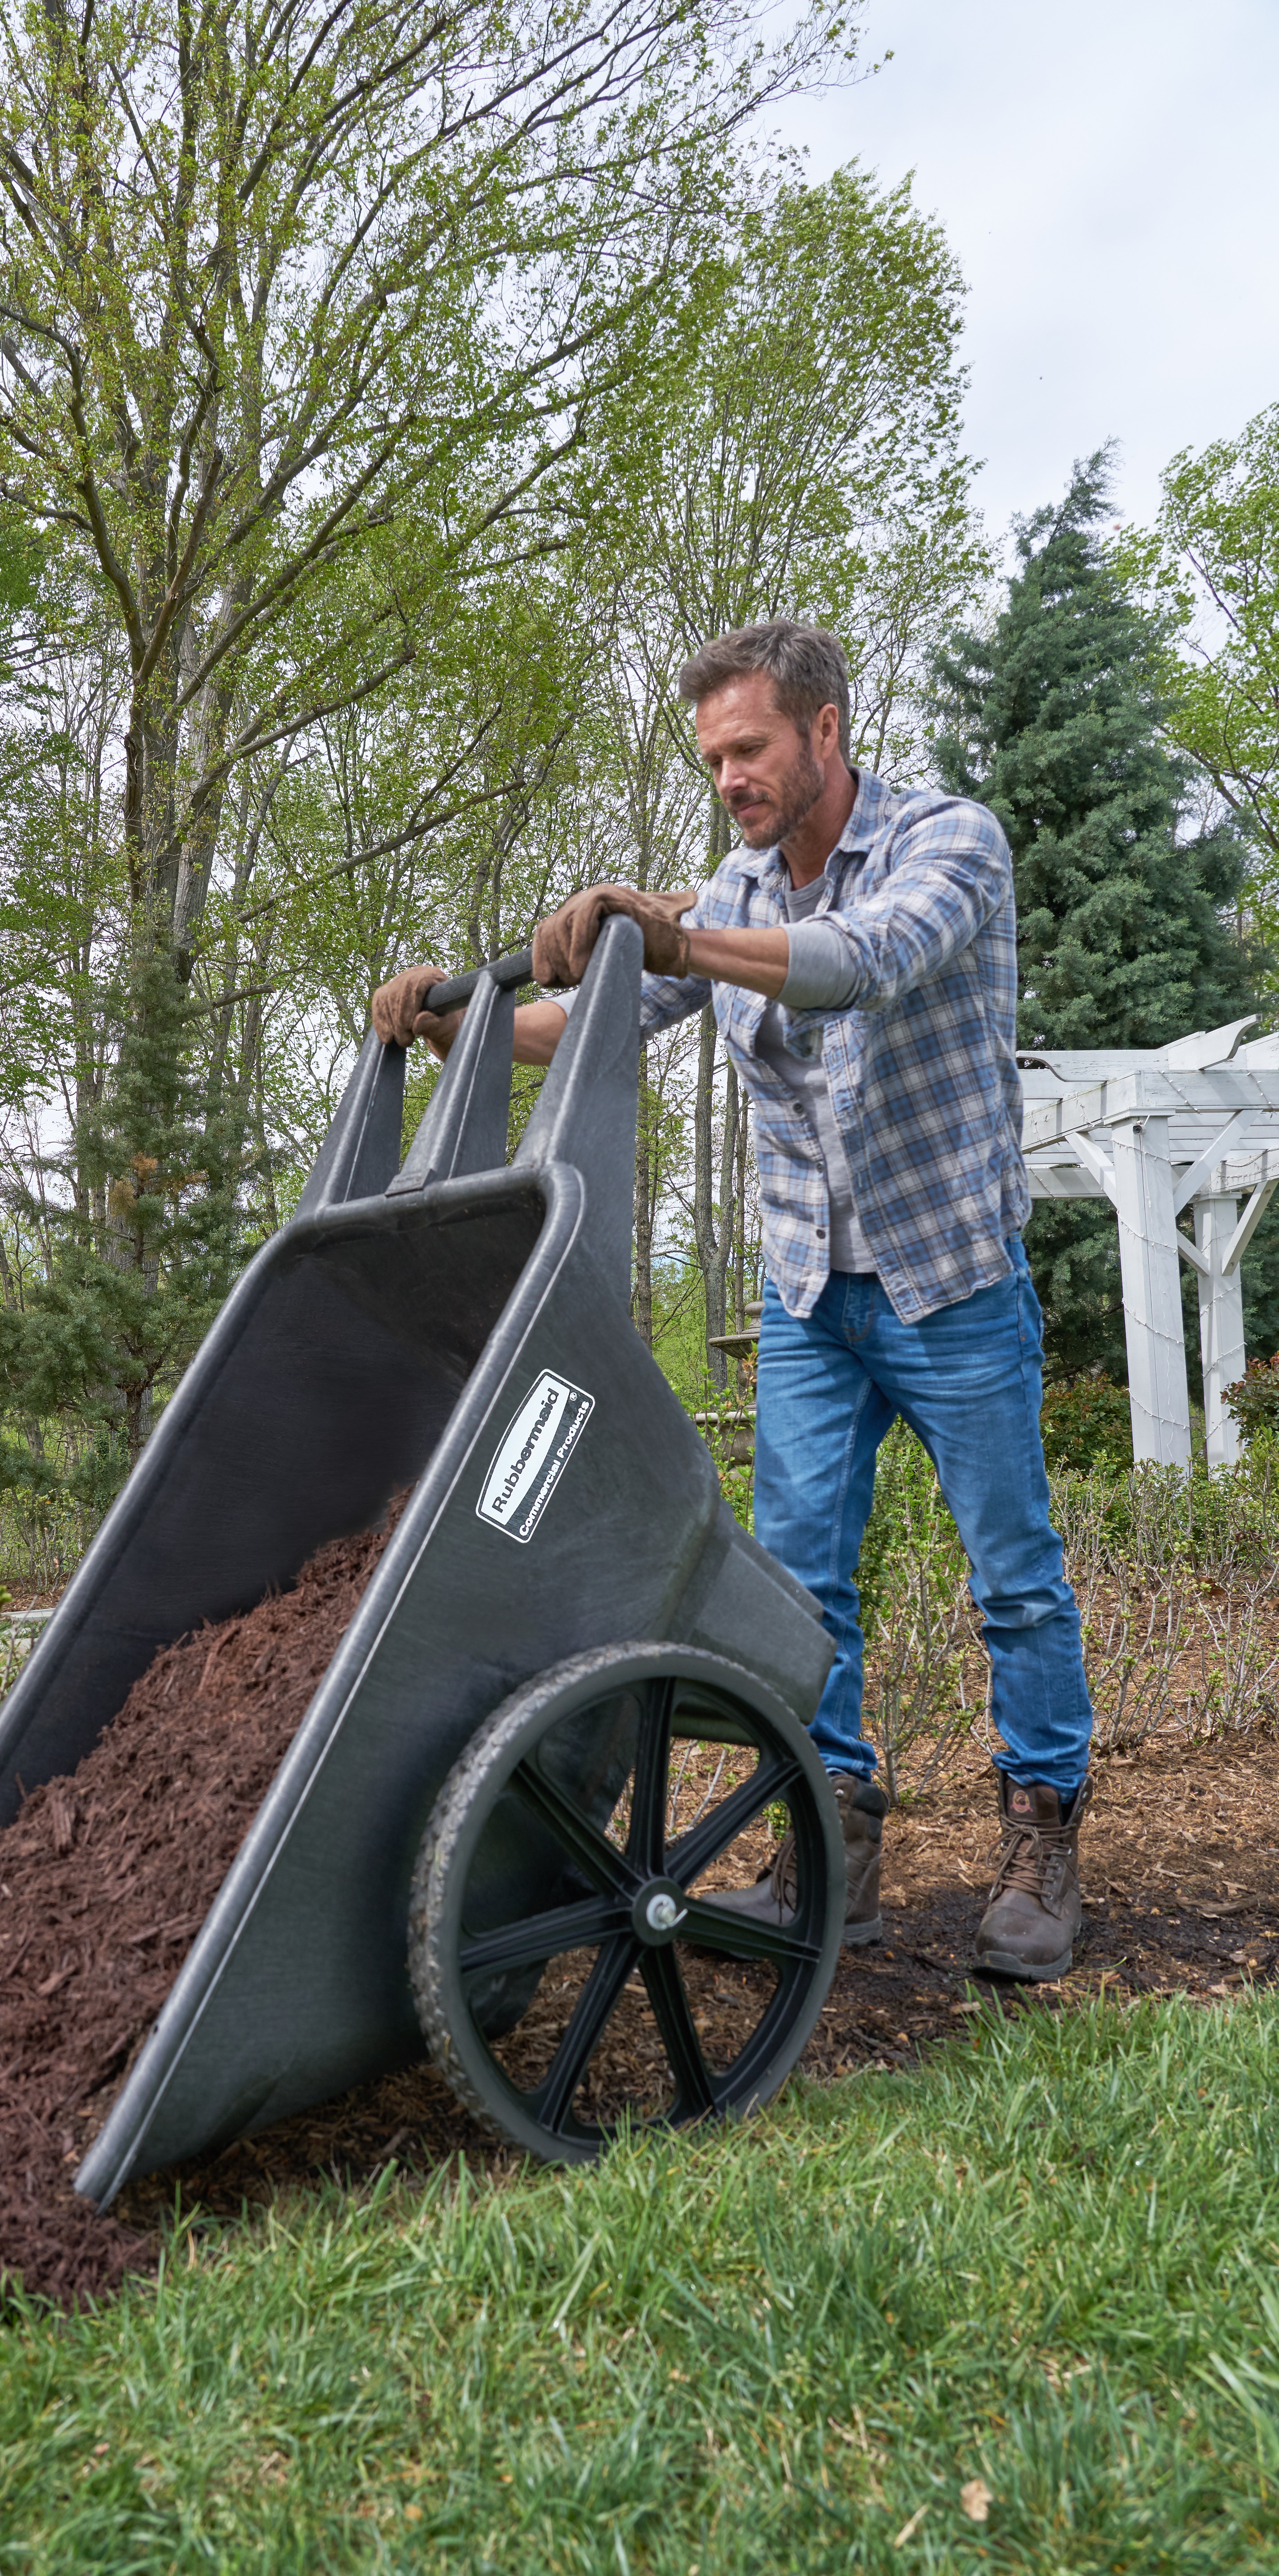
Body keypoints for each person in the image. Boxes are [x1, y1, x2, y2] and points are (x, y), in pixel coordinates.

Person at [371, 620, 1094, 1981]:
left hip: (952, 1282)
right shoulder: (736, 886)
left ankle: (1042, 1840)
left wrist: (683, 938)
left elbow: (861, 960)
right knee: (798, 1585)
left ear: (825, 729)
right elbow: (585, 1024)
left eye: (749, 749)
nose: (730, 779)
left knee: (1013, 1577)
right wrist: (449, 1019)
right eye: (712, 759)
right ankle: (830, 1847)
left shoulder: (951, 842)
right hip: (811, 1294)